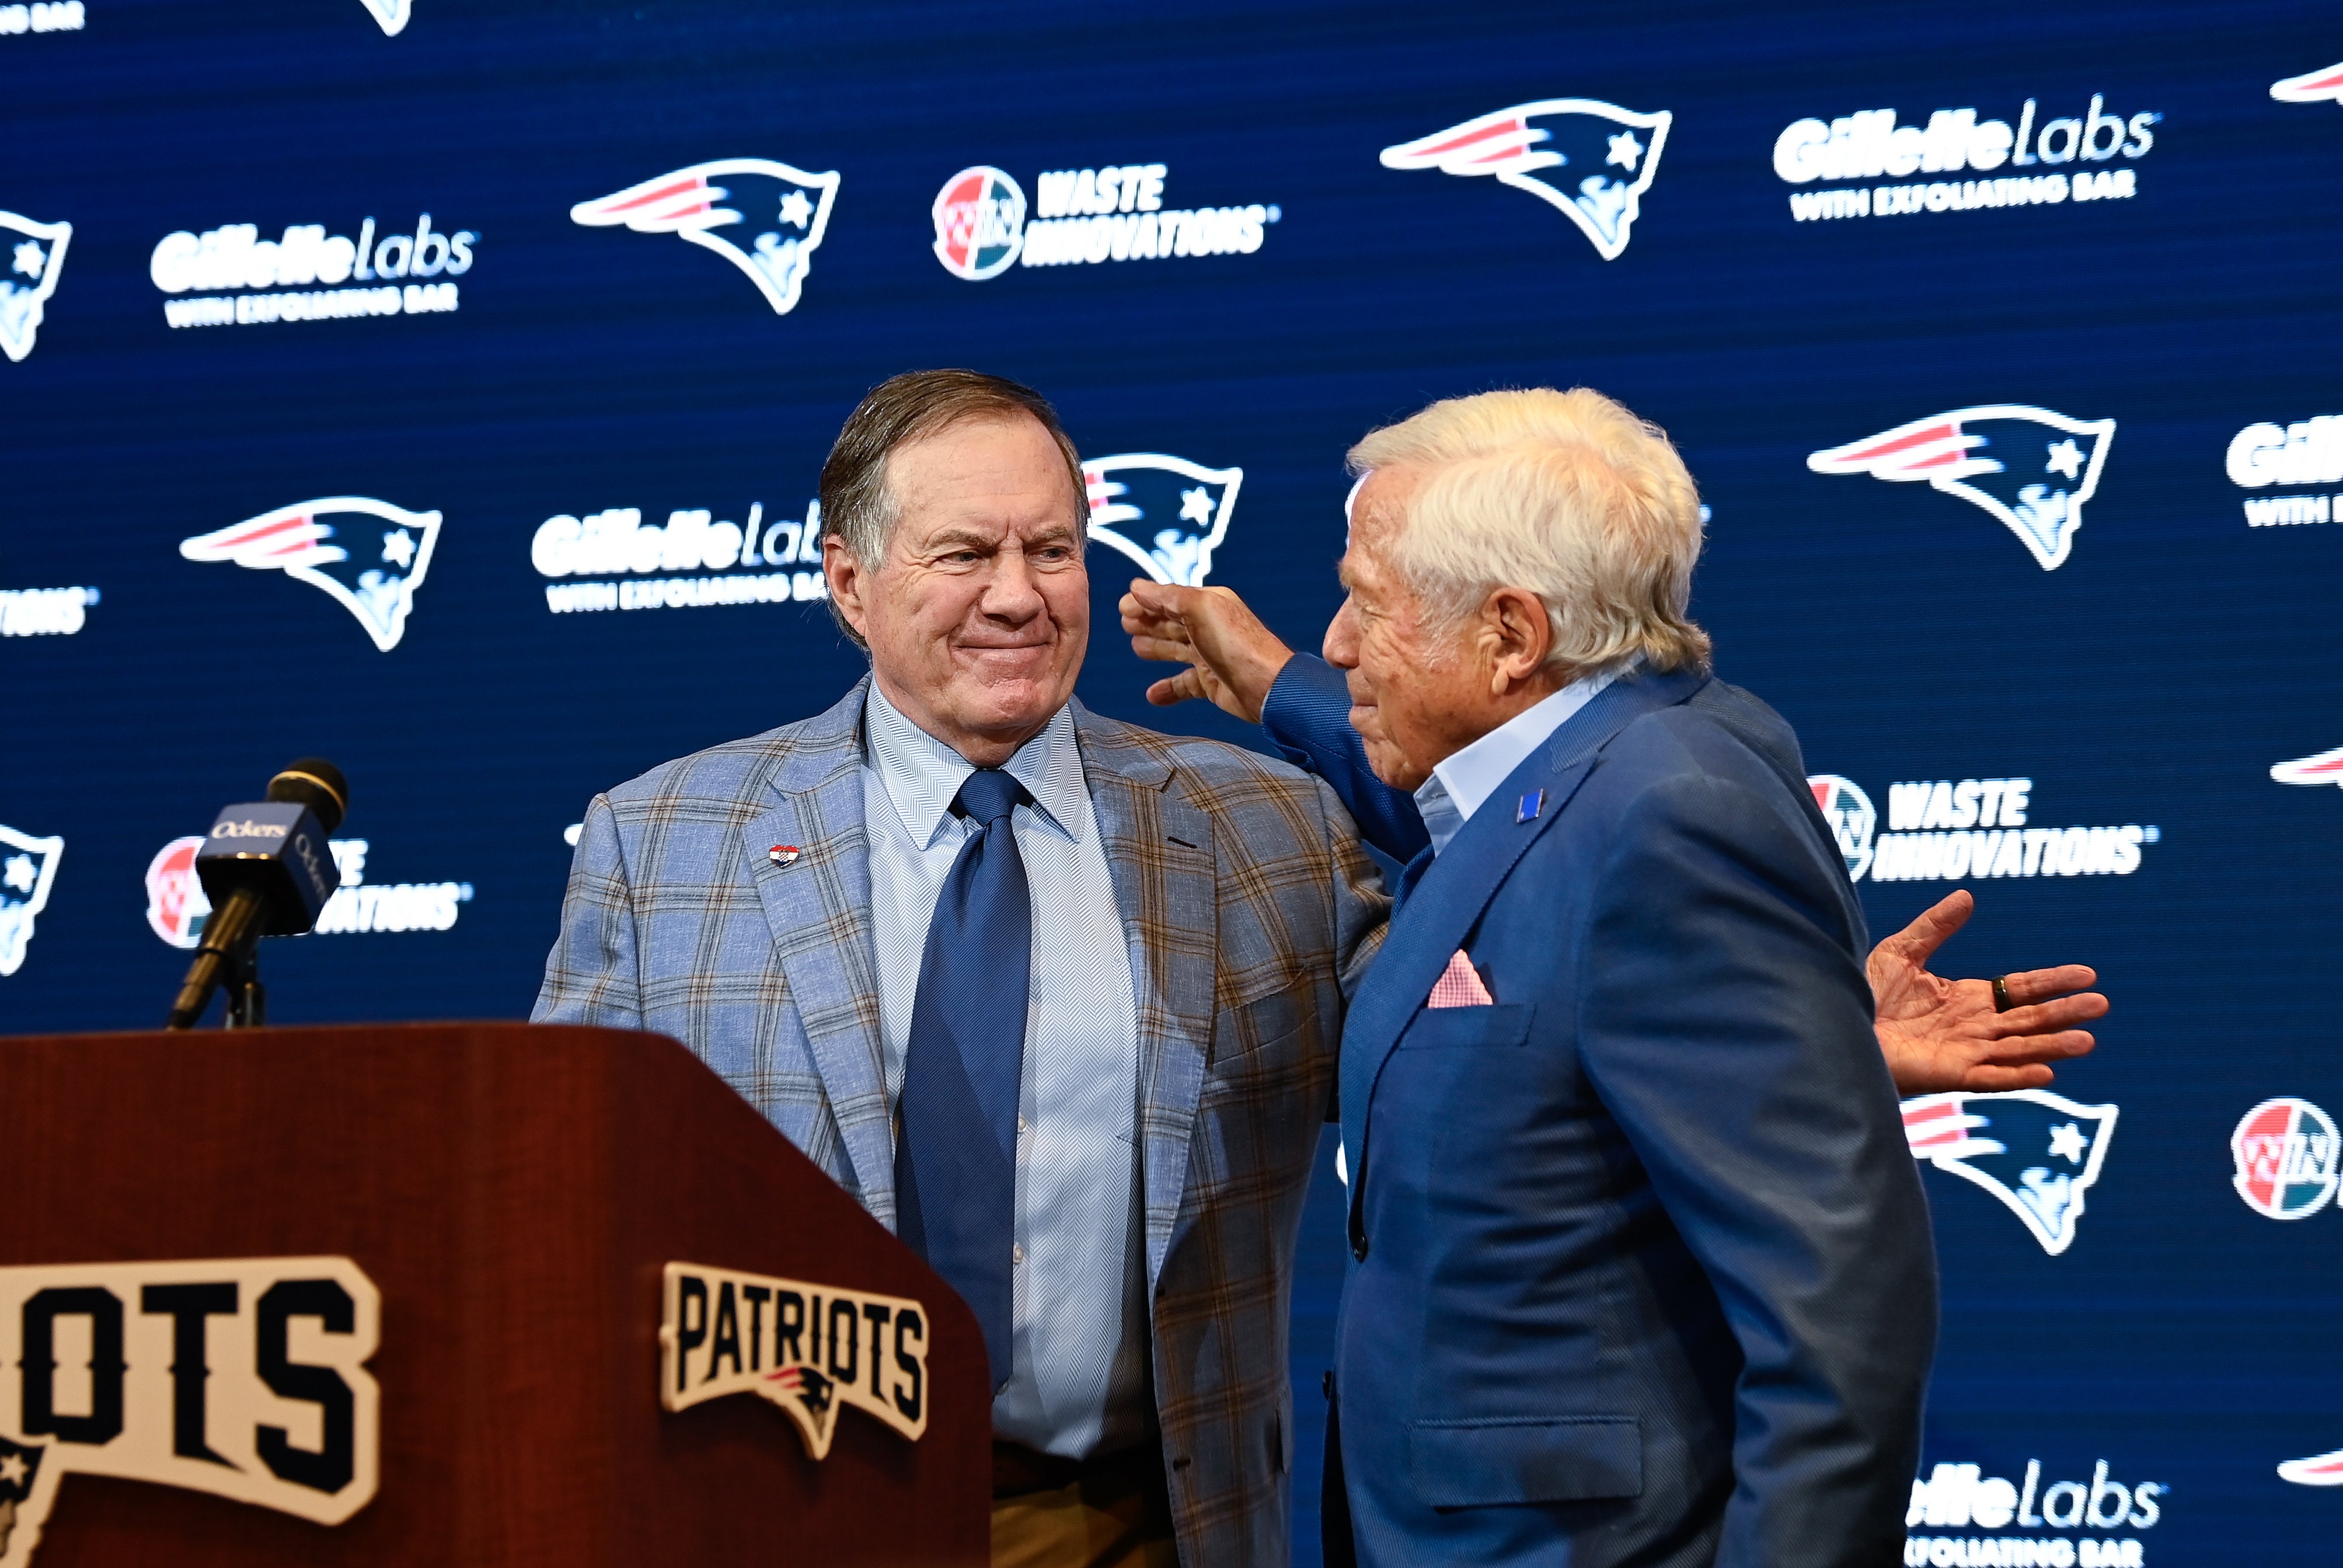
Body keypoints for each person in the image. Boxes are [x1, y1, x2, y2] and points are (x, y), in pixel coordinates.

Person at [539, 370, 2101, 1568]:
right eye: (962, 551)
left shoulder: (1258, 837)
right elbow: (560, 1226)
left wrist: (1798, 1047)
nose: (1017, 590)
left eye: (1053, 546)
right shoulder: (662, 840)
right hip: (774, 1517)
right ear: (844, 582)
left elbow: (1493, 965)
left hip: (1140, 1526)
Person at [1116, 386, 1967, 1566]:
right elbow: (1473, 825)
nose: (1343, 641)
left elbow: (1838, 1308)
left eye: (1365, 602)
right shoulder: (1614, 748)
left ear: (1510, 636)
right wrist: (1271, 681)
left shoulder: (1669, 817)